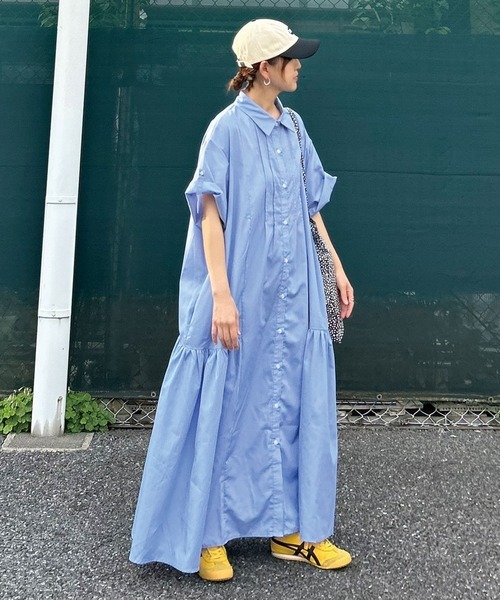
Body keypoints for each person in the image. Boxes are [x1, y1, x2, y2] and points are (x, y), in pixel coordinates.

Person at [129, 18, 355, 582]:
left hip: (296, 291)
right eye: (289, 57)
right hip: (239, 289)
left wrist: (335, 267)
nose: (298, 64)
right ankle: (208, 535)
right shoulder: (224, 130)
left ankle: (294, 532)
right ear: (262, 68)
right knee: (226, 401)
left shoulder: (295, 127)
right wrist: (222, 296)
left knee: (293, 401)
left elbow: (309, 207)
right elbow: (209, 217)